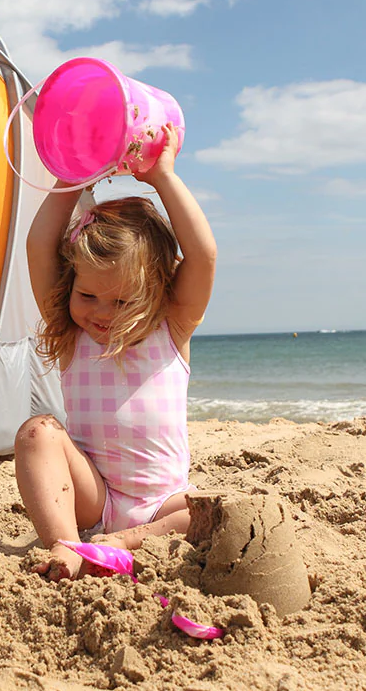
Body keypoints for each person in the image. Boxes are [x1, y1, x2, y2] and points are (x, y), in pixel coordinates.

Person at [16, 125, 217, 581]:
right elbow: (38, 247)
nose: (101, 313)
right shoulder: (71, 331)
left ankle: (125, 541)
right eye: (87, 296)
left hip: (163, 507)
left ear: (155, 293)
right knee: (37, 433)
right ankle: (67, 544)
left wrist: (163, 178)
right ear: (70, 285)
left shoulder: (171, 326)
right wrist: (73, 178)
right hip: (94, 498)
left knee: (209, 509)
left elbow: (203, 257)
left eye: (122, 301)